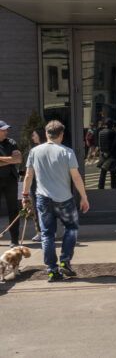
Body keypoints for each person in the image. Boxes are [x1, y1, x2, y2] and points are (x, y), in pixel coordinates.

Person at [21, 120, 90, 282]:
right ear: (61, 135)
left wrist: (25, 196)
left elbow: (28, 176)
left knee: (47, 234)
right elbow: (76, 176)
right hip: (64, 199)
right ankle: (65, 261)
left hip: (43, 199)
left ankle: (52, 269)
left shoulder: (35, 152)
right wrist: (84, 197)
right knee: (71, 228)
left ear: (46, 134)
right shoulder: (67, 152)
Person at [0, 120, 22, 247]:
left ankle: (14, 240)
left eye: (6, 129)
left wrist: (3, 160)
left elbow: (18, 159)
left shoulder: (12, 142)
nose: (6, 132)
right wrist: (10, 160)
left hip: (10, 180)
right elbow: (13, 159)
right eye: (3, 130)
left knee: (13, 210)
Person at [25, 127, 46, 242]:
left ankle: (44, 231)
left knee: (43, 208)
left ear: (40, 135)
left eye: (34, 135)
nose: (32, 137)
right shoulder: (33, 150)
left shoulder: (37, 151)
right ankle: (40, 231)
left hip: (41, 183)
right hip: (36, 183)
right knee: (37, 208)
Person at [96, 119, 116, 189]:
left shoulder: (100, 132)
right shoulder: (112, 132)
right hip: (111, 155)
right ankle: (114, 188)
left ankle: (100, 188)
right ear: (111, 125)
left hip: (103, 154)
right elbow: (114, 144)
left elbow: (99, 143)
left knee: (103, 173)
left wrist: (103, 153)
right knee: (113, 173)